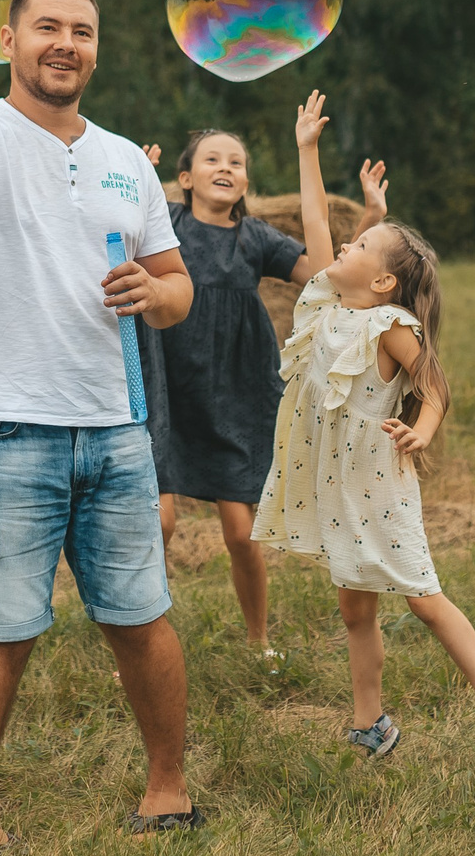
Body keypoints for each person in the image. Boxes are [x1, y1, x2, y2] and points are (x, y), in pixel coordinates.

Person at [0, 0, 203, 850]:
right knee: (1, 633)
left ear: (97, 49)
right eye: (47, 27)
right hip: (4, 429)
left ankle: (168, 790)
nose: (65, 44)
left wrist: (156, 294)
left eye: (82, 30)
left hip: (116, 430)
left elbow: (179, 286)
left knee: (141, 619)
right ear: (11, 39)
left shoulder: (125, 160)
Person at [250, 193, 475, 784]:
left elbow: (435, 386)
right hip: (338, 487)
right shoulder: (328, 306)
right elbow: (315, 220)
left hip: (379, 487)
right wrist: (308, 151)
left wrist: (421, 433)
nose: (344, 243)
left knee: (424, 600)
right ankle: (370, 722)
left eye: (361, 245)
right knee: (354, 606)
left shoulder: (388, 326)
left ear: (382, 282)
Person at [137, 94, 384, 666]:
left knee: (239, 532)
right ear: (184, 179)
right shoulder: (166, 223)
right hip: (168, 390)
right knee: (159, 520)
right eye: (212, 159)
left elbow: (328, 274)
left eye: (237, 162)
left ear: (247, 181)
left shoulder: (256, 239)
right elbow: (114, 233)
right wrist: (136, 186)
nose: (226, 167)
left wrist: (369, 217)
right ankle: (144, 641)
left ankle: (257, 638)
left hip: (235, 394)